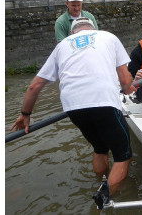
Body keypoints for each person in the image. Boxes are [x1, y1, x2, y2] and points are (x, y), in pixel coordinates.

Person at [9, 17, 135, 207]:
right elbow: (125, 81)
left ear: (72, 33)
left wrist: (25, 114)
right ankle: (104, 199)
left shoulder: (62, 46)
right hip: (103, 101)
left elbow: (34, 86)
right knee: (122, 155)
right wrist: (129, 88)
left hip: (73, 107)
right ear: (94, 28)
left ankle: (99, 182)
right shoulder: (108, 36)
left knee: (100, 148)